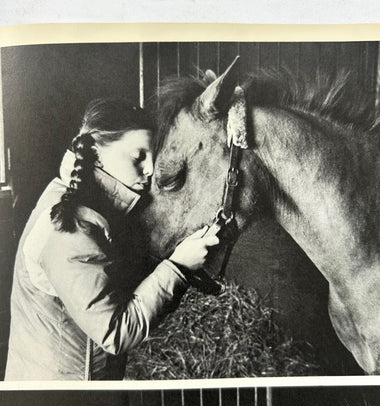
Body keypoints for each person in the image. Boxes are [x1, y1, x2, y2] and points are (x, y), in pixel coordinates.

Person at [5, 98, 219, 381]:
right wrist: (178, 267)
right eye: (137, 156)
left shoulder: (78, 200)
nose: (151, 169)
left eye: (151, 155)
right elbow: (116, 332)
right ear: (95, 151)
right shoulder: (70, 224)